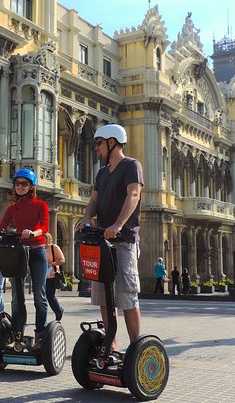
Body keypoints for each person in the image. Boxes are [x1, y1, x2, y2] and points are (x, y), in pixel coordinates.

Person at [75, 123, 144, 351]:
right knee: (104, 298)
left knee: (127, 296)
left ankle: (136, 348)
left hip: (123, 241)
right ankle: (111, 344)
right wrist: (86, 217)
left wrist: (118, 225)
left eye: (99, 143)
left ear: (112, 142)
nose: (97, 148)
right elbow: (94, 200)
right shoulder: (102, 173)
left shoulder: (131, 166)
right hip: (102, 243)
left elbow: (133, 195)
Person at [0, 168, 49, 350]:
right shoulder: (12, 208)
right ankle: (17, 336)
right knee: (17, 297)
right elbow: (2, 226)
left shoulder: (40, 205)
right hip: (18, 253)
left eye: (24, 184)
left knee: (39, 297)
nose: (20, 187)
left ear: (31, 186)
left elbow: (44, 226)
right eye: (17, 184)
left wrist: (34, 232)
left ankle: (40, 335)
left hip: (37, 251)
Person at [44, 232, 65, 321]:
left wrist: (53, 263)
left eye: (44, 238)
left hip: (52, 276)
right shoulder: (40, 248)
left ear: (48, 238)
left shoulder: (54, 247)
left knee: (49, 296)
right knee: (41, 298)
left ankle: (58, 311)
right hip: (41, 276)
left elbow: (62, 260)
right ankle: (43, 318)